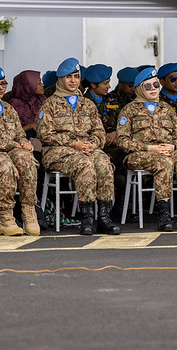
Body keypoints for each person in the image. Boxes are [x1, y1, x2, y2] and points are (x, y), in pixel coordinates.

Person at [37, 57, 119, 236]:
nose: (73, 81)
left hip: (86, 149)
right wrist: (74, 144)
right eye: (68, 77)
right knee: (85, 164)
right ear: (61, 80)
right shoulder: (50, 104)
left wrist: (92, 144)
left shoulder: (87, 104)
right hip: (57, 152)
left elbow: (99, 132)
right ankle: (87, 217)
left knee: (104, 163)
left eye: (76, 76)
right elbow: (44, 135)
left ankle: (104, 217)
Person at [116, 67, 177, 232]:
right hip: (140, 154)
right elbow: (122, 141)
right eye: (148, 86)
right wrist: (150, 148)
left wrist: (173, 146)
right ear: (140, 88)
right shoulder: (129, 110)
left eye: (155, 85)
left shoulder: (167, 109)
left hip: (168, 150)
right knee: (163, 163)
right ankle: (164, 215)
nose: (153, 89)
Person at [0, 67, 40, 236]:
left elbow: (19, 133)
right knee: (5, 166)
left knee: (27, 160)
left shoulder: (8, 108)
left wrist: (25, 142)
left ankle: (28, 210)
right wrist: (13, 145)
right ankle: (6, 218)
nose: (1, 87)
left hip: (10, 151)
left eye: (4, 83)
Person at [8, 69, 46, 136]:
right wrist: (29, 126)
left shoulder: (41, 99)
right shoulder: (14, 105)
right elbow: (9, 132)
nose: (42, 85)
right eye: (38, 83)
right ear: (28, 86)